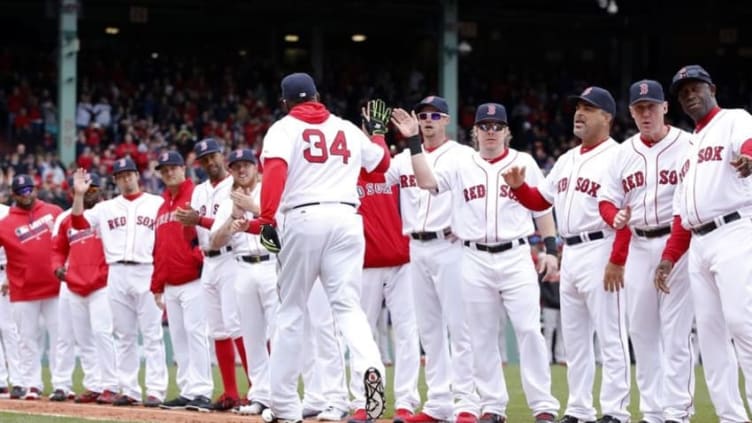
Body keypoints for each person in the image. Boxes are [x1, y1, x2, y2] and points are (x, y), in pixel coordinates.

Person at [237, 72, 388, 423]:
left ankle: (286, 407)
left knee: (290, 312)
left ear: (285, 102)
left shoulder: (283, 128)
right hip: (348, 218)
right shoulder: (349, 128)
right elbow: (381, 165)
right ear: (318, 96)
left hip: (304, 217)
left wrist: (269, 218)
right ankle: (370, 368)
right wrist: (378, 135)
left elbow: (274, 173)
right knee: (349, 308)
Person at [395, 103, 559, 423]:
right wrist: (414, 141)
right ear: (475, 132)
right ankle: (493, 407)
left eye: (497, 126)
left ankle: (543, 406)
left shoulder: (523, 161)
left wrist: (550, 249)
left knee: (528, 330)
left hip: (515, 254)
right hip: (473, 256)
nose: (491, 132)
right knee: (482, 335)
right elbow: (427, 181)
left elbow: (541, 209)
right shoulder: (463, 164)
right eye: (484, 126)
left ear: (507, 132)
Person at [503, 87, 631, 423]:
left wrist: (617, 259)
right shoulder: (566, 159)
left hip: (602, 246)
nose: (579, 113)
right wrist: (519, 188)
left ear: (607, 117)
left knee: (611, 336)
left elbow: (627, 212)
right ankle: (578, 409)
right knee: (576, 341)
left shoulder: (620, 156)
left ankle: (616, 411)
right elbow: (539, 201)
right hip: (571, 251)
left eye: (589, 108)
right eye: (578, 107)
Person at [656, 64, 752, 423]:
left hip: (734, 231)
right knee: (710, 337)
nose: (689, 94)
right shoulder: (690, 145)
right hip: (698, 243)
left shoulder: (734, 118)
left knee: (743, 323)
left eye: (695, 87)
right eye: (683, 92)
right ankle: (732, 418)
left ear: (711, 88)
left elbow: (748, 142)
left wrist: (750, 157)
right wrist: (669, 257)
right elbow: (682, 212)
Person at [598, 79, 695, 423]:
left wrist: (673, 254)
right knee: (641, 330)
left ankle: (677, 412)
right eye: (639, 108)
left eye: (651, 106)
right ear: (630, 112)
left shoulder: (689, 145)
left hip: (678, 245)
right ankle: (653, 412)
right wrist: (614, 215)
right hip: (638, 244)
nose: (646, 113)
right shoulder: (623, 153)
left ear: (665, 107)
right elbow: (606, 199)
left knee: (676, 331)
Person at [384, 96, 478, 423]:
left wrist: (467, 225)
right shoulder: (404, 158)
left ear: (447, 120)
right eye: (423, 115)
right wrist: (375, 137)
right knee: (429, 330)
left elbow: (481, 193)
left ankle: (468, 402)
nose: (427, 120)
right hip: (416, 247)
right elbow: (375, 177)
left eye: (435, 115)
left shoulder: (465, 156)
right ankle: (439, 404)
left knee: (459, 327)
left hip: (450, 247)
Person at [71, 158, 168, 407]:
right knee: (124, 335)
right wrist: (79, 195)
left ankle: (156, 390)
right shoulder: (106, 208)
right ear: (115, 180)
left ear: (137, 175)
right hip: (116, 272)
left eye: (129, 174)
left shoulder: (156, 203)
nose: (126, 179)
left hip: (146, 269)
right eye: (121, 175)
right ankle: (130, 389)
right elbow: (78, 223)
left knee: (152, 335)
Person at [348, 100, 421, 423]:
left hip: (402, 261)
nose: (370, 130)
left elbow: (384, 160)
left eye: (374, 126)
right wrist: (372, 134)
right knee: (363, 337)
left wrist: (381, 135)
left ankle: (406, 403)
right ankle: (365, 402)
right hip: (363, 264)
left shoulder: (393, 165)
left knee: (407, 334)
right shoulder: (345, 166)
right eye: (366, 125)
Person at [174, 138, 248, 411]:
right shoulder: (199, 191)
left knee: (236, 324)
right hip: (209, 261)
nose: (209, 162)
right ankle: (230, 392)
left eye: (213, 156)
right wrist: (187, 224)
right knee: (216, 330)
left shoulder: (235, 186)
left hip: (231, 257)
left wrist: (198, 220)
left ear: (222, 156)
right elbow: (192, 232)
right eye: (204, 159)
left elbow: (224, 226)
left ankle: (255, 389)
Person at [210, 148, 276, 415]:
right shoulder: (228, 200)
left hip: (272, 264)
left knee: (278, 333)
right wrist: (233, 216)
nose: (241, 170)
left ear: (256, 167)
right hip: (242, 266)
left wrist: (254, 209)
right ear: (231, 170)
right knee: (252, 336)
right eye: (236, 166)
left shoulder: (270, 190)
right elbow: (215, 240)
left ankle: (281, 394)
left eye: (246, 164)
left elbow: (283, 222)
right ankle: (260, 395)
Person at [149, 151, 214, 412]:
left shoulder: (195, 195)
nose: (168, 173)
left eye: (172, 168)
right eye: (164, 170)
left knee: (196, 334)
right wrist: (156, 285)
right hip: (170, 284)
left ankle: (202, 390)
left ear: (182, 169)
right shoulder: (163, 206)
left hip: (193, 279)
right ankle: (187, 389)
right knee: (179, 338)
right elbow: (159, 248)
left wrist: (197, 259)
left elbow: (206, 233)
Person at [51, 173, 119, 404]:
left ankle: (110, 384)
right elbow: (57, 248)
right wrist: (57, 267)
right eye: (86, 188)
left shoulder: (109, 212)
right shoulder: (65, 218)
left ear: (100, 191)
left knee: (102, 334)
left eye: (94, 188)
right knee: (84, 339)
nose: (91, 192)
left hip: (101, 283)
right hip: (74, 284)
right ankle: (94, 384)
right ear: (76, 190)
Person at [0, 174, 66, 400]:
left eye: (29, 189)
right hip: (23, 290)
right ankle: (32, 385)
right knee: (26, 339)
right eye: (21, 192)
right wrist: (7, 275)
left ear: (36, 189)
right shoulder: (5, 223)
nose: (26, 195)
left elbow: (68, 241)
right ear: (14, 195)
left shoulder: (54, 211)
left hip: (54, 286)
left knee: (60, 338)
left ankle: (61, 384)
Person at [0, 202, 22, 399]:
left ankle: (18, 380)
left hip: (4, 271)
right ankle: (0, 381)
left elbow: (16, 248)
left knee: (9, 328)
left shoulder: (7, 212)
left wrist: (9, 275)